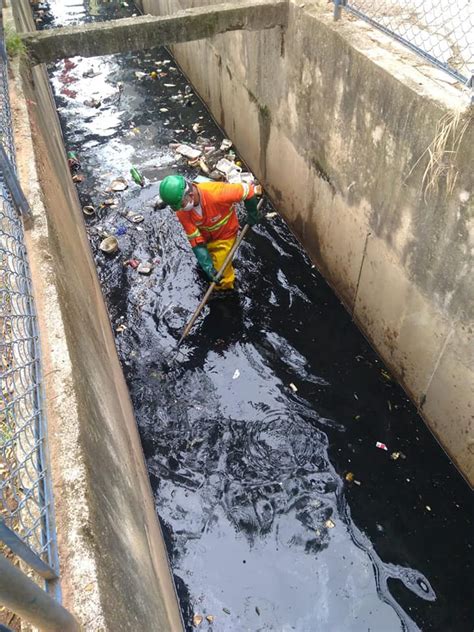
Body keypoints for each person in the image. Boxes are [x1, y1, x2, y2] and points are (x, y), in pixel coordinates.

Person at [159, 175, 262, 290]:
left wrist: (253, 213)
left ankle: (225, 291)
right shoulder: (181, 211)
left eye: (182, 205)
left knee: (221, 276)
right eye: (177, 207)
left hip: (225, 235)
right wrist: (207, 266)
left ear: (191, 195)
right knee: (208, 265)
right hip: (206, 238)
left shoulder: (217, 193)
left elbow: (247, 190)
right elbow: (195, 239)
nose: (180, 209)